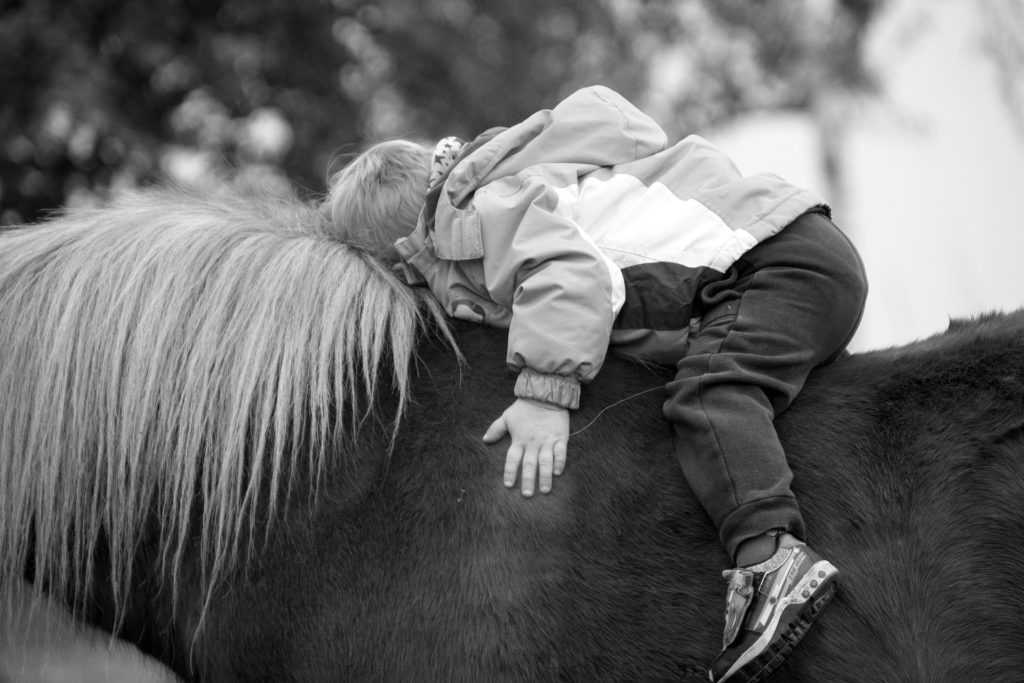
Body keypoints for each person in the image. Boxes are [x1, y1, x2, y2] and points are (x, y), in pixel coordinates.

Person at [324, 85, 868, 682]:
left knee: (711, 398)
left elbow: (574, 278)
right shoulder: (522, 188)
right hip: (789, 252)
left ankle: (772, 559)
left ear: (409, 251)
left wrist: (543, 393)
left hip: (771, 266)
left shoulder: (478, 215)